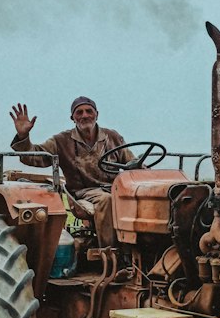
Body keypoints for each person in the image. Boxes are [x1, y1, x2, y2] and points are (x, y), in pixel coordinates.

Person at [9, 96, 133, 248]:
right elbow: (34, 157)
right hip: (83, 192)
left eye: (89, 111)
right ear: (72, 118)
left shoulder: (112, 137)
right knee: (106, 200)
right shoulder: (61, 140)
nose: (85, 115)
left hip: (115, 188)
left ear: (97, 114)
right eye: (79, 112)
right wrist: (23, 136)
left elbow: (131, 162)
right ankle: (110, 251)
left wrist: (145, 172)